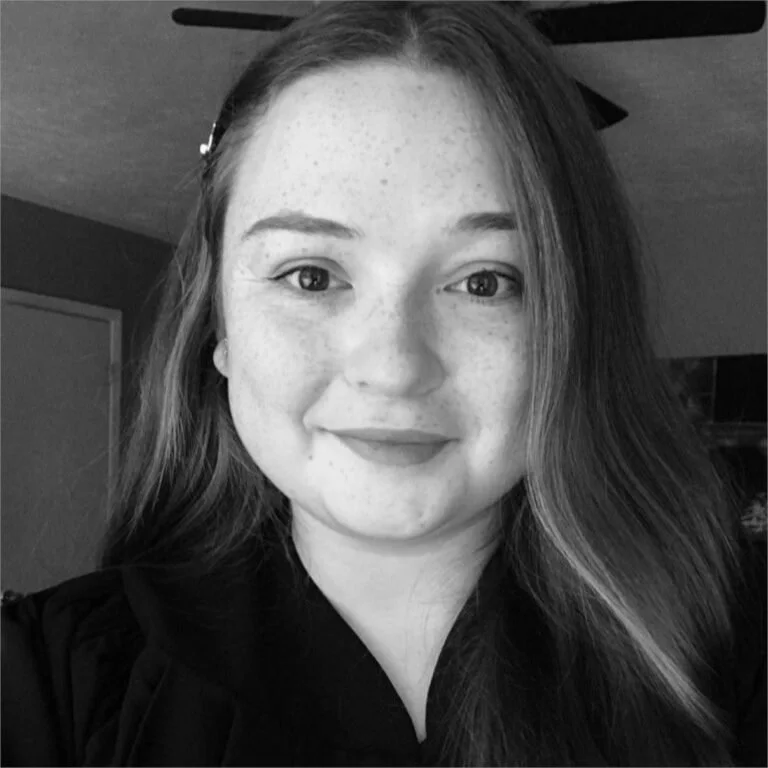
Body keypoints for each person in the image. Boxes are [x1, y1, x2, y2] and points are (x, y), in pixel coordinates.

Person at [2, 1, 765, 765]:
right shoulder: (51, 680)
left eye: (486, 283)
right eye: (311, 275)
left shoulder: (732, 646)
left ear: (571, 333)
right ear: (220, 329)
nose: (394, 366)